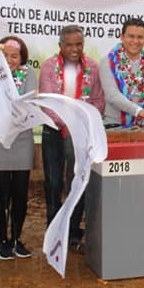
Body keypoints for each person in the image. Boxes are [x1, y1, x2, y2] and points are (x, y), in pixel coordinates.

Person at [38, 25, 105, 252]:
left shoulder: (93, 67)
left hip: (81, 135)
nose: (75, 49)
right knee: (54, 183)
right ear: (60, 46)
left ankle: (73, 232)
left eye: (79, 44)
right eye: (70, 45)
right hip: (53, 133)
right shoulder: (48, 67)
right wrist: (66, 122)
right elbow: (47, 102)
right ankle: (54, 233)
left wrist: (83, 123)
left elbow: (98, 101)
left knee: (76, 183)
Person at [0, 36, 37, 260]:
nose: (9, 60)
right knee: (2, 193)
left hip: (22, 140)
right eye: (5, 55)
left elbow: (32, 103)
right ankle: (3, 240)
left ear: (21, 58)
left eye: (14, 56)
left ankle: (17, 238)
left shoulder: (29, 74)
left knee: (20, 193)